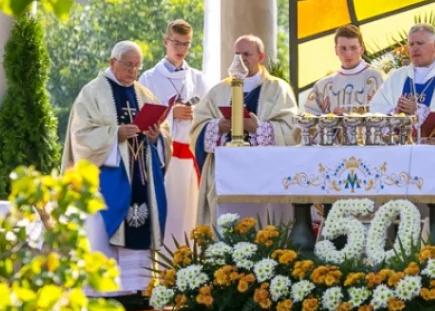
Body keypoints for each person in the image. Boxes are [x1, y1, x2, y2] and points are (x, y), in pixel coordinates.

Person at [61, 41, 171, 303]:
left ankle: (138, 288)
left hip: (140, 176)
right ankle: (104, 290)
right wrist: (114, 135)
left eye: (137, 65)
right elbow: (81, 135)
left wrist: (156, 138)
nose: (133, 70)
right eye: (128, 64)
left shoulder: (144, 93)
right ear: (113, 63)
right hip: (107, 178)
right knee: (104, 227)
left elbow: (162, 135)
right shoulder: (93, 92)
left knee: (139, 224)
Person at [191, 35, 298, 226]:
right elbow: (197, 127)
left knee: (264, 225)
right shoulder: (219, 90)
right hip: (226, 173)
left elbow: (291, 130)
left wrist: (259, 129)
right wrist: (217, 126)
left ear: (261, 56)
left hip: (265, 173)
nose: (240, 60)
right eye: (237, 54)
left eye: (247, 54)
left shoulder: (278, 89)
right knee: (225, 226)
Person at [138, 20, 211, 247]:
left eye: (186, 44)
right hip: (164, 158)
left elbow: (209, 116)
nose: (181, 50)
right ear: (166, 42)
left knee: (191, 217)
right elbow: (142, 118)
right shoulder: (148, 79)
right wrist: (171, 115)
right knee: (167, 215)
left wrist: (192, 113)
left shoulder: (199, 79)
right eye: (176, 43)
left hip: (191, 157)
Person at [369, 24, 435, 126]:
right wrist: (395, 112)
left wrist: (419, 111)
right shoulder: (397, 77)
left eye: (420, 43)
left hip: (434, 141)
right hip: (399, 140)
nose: (415, 48)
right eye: (411, 44)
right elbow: (376, 108)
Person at [302, 24, 384, 115]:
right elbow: (309, 120)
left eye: (353, 48)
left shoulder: (376, 78)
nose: (348, 54)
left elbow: (386, 115)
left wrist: (347, 117)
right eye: (343, 48)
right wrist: (332, 120)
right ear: (336, 50)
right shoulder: (323, 86)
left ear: (361, 49)